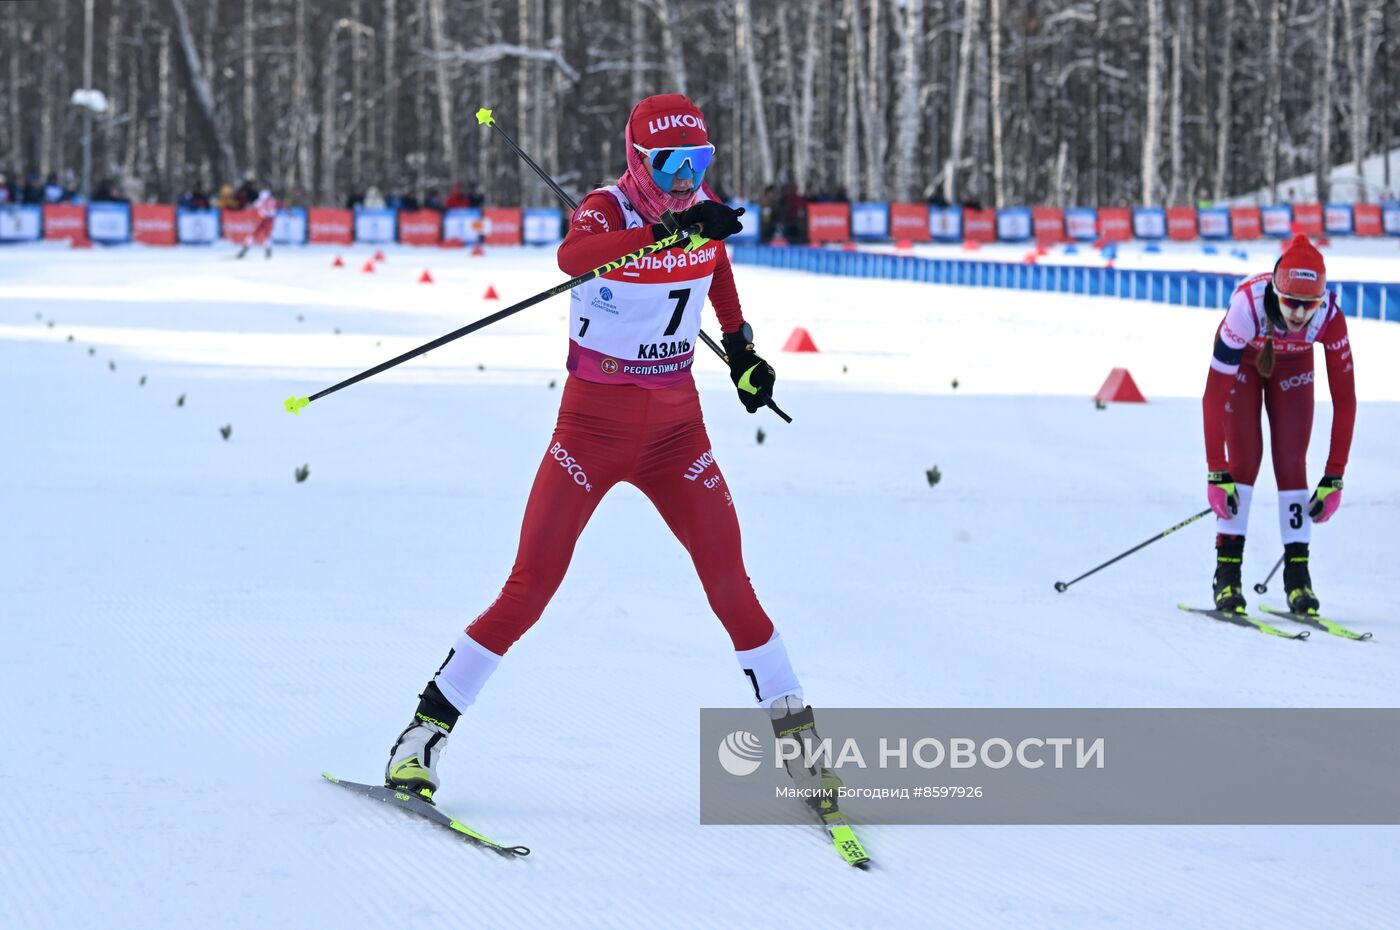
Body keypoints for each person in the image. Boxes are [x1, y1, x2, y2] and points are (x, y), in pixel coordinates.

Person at [384, 93, 821, 807]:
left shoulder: (700, 209)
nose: (686, 179)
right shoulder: (608, 210)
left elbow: (714, 271)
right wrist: (663, 235)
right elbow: (572, 256)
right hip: (590, 433)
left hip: (678, 435)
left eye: (699, 164)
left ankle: (801, 750)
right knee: (530, 589)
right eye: (671, 165)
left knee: (732, 587)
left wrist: (741, 349)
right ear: (637, 161)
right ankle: (421, 738)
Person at [1201, 233, 1355, 615]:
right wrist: (1215, 471)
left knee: (1290, 460)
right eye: (1291, 303)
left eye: (1310, 305)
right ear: (1275, 290)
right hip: (1247, 364)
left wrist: (1335, 475)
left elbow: (1346, 401)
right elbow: (1213, 397)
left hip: (1294, 367)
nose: (1300, 315)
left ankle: (1298, 578)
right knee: (1244, 459)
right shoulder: (1246, 309)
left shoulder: (1330, 317)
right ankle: (1228, 575)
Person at [236, 189, 278, 259]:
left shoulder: (262, 201)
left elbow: (254, 206)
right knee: (266, 236)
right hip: (270, 220)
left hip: (262, 220)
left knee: (254, 234)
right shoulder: (273, 200)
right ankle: (268, 252)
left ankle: (244, 250)